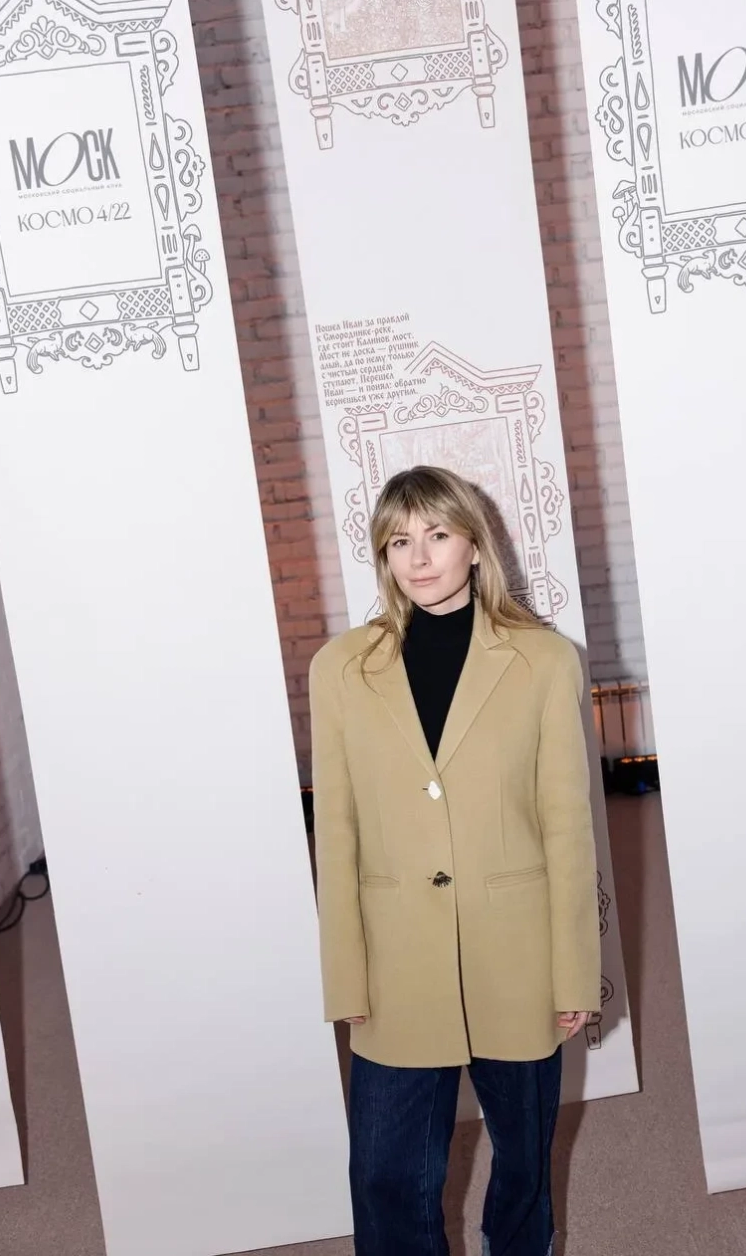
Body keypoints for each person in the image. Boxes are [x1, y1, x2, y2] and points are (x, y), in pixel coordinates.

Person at [309, 465, 600, 1256]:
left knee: (524, 1162)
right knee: (384, 1172)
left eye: (437, 535)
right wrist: (345, 975)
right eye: (398, 541)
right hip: (399, 956)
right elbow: (336, 831)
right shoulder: (341, 669)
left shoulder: (543, 661)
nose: (419, 557)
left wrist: (574, 971)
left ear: (475, 544)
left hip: (518, 953)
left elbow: (566, 826)